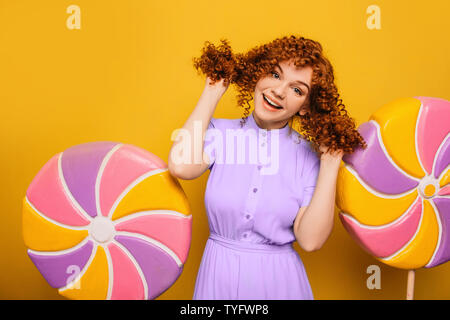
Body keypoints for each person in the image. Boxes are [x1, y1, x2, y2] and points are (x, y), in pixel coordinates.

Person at [168, 35, 366, 299]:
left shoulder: (309, 157)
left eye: (297, 90)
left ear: (306, 107)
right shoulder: (220, 132)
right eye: (274, 74)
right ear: (258, 74)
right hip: (218, 277)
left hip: (280, 283)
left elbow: (311, 240)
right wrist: (212, 91)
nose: (279, 91)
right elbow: (181, 165)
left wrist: (330, 164)